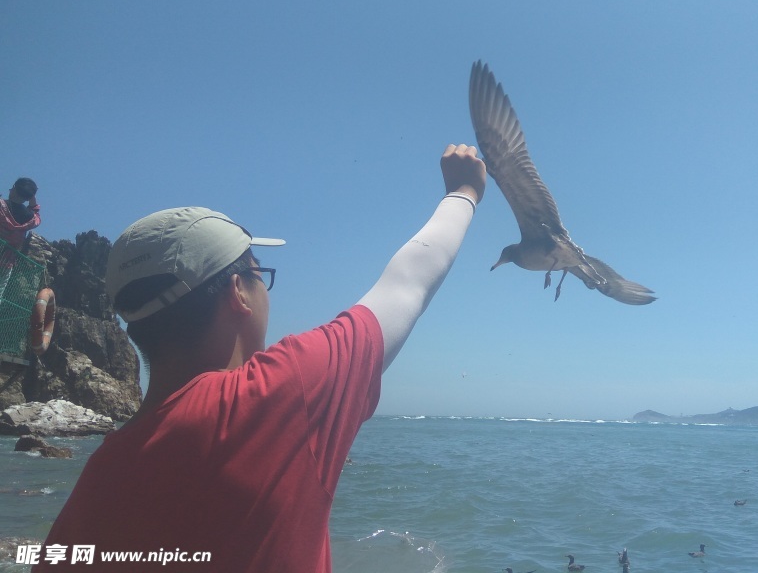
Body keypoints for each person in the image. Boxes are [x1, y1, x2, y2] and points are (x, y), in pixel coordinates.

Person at [36, 144, 486, 572]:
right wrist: (463, 193)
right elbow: (408, 283)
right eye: (259, 275)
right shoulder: (276, 394)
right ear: (237, 293)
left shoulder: (98, 478)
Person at [0, 177, 41, 300]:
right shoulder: (30, 218)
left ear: (14, 189)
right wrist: (33, 201)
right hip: (6, 262)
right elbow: (37, 217)